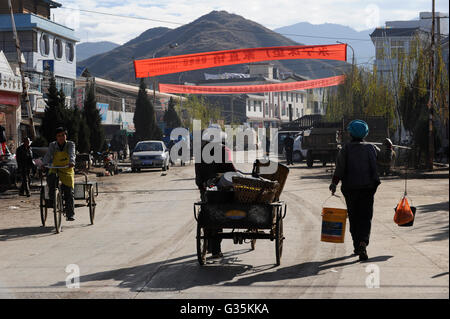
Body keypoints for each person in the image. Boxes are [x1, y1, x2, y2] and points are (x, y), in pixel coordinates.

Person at [329, 120, 380, 261]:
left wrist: (334, 184)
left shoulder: (345, 149)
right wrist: (390, 148)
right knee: (366, 217)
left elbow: (340, 169)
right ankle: (363, 243)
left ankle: (357, 245)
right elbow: (385, 161)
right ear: (366, 133)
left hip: (350, 189)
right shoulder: (371, 148)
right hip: (368, 189)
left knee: (354, 217)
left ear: (350, 134)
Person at [195, 136, 236, 259]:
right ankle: (215, 250)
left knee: (208, 217)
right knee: (218, 218)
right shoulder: (221, 150)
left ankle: (210, 246)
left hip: (206, 189)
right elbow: (231, 170)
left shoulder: (200, 152)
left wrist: (201, 184)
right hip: (219, 191)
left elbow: (198, 173)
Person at [42, 127, 76, 221]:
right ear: (56, 137)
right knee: (50, 178)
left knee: (69, 191)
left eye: (62, 135)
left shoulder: (70, 144)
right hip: (55, 168)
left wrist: (72, 162)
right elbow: (48, 155)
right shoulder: (52, 145)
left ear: (66, 136)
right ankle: (54, 199)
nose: (61, 137)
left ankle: (70, 214)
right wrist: (44, 164)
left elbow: (71, 154)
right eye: (58, 136)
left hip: (67, 169)